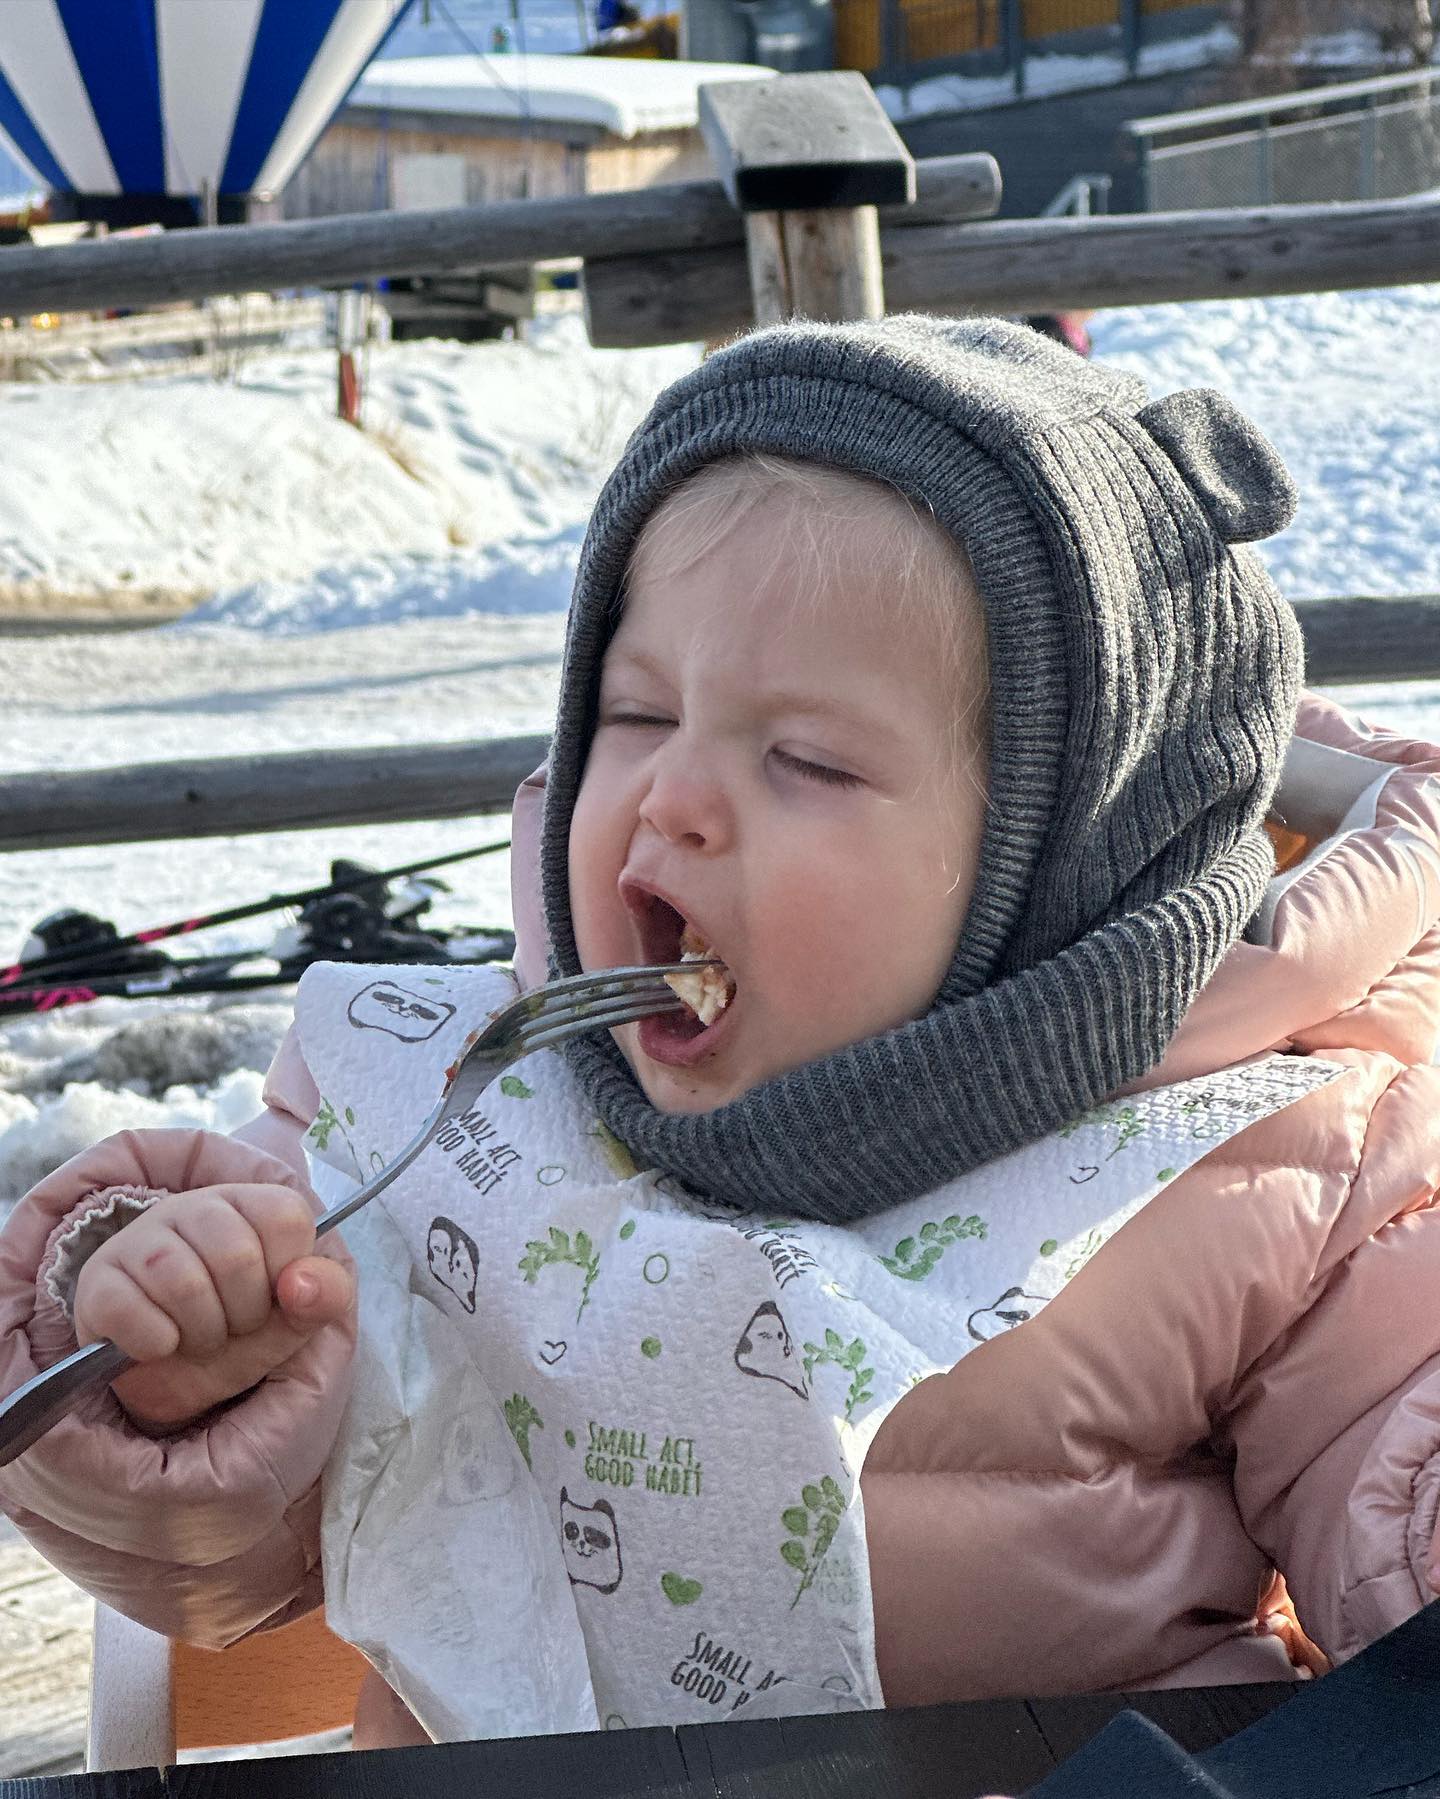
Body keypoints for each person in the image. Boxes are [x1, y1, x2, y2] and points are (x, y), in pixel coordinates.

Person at [3, 316, 1440, 1755]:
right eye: (633, 715)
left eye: (807, 759)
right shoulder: (436, 1114)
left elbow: (1396, 1525)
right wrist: (184, 1357)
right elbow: (233, 1565)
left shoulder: (1276, 1161)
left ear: (1053, 873)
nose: (671, 796)